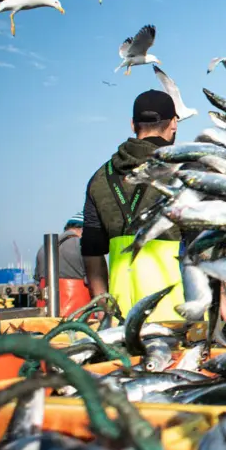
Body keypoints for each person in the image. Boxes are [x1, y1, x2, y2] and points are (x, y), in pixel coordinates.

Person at [81, 90, 186, 321]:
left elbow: (91, 251)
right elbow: (205, 246)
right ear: (174, 123)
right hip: (179, 316)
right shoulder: (186, 172)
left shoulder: (100, 177)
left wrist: (102, 309)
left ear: (132, 125)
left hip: (122, 320)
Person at [34, 212, 92, 317]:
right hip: (77, 320)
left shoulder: (43, 248)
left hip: (44, 319)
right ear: (83, 229)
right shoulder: (82, 246)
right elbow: (95, 282)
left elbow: (37, 283)